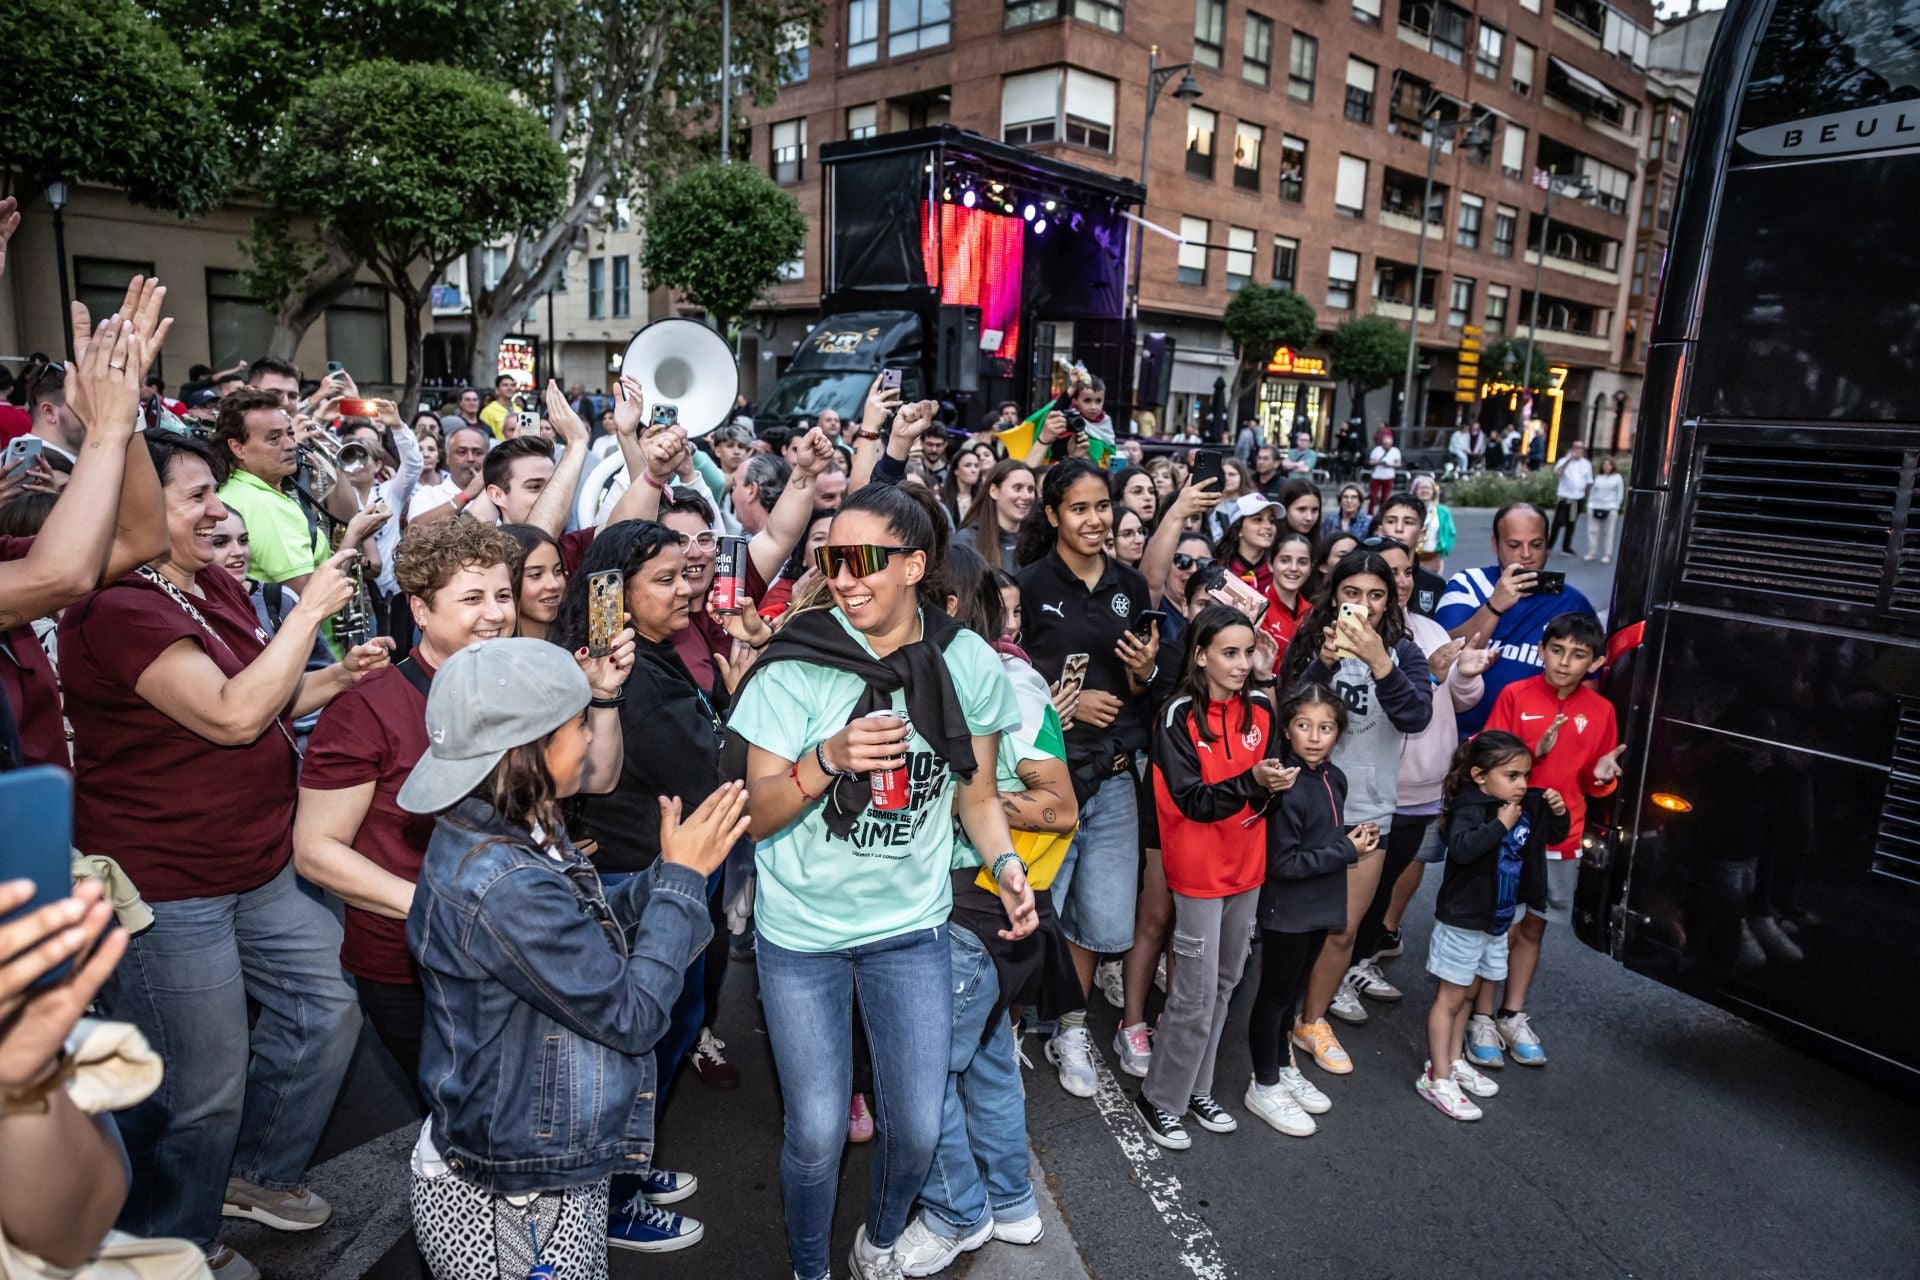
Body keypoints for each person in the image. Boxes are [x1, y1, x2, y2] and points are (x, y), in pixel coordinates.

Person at [59, 428, 390, 1276]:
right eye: (196, 496)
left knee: (327, 1005)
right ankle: (172, 1242)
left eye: (218, 490)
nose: (220, 509)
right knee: (200, 1088)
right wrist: (311, 608)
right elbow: (233, 715)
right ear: (140, 509)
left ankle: (253, 1174)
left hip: (259, 863)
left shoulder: (208, 587)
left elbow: (270, 699)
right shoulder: (118, 610)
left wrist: (336, 676)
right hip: (170, 884)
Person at [728, 482, 1033, 1280]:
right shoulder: (793, 663)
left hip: (912, 927)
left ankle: (881, 1236)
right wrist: (826, 760)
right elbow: (753, 817)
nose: (845, 578)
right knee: (818, 1132)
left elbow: (977, 795)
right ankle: (808, 1267)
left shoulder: (967, 661)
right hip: (801, 935)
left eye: (866, 561)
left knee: (919, 1131)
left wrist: (1004, 867)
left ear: (914, 566)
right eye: (831, 559)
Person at [401, 638, 748, 1275]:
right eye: (577, 724)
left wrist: (665, 870)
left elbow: (587, 931)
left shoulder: (516, 821)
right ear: (526, 752)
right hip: (512, 1193)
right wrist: (681, 882)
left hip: (545, 1157)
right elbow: (634, 1017)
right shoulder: (506, 882)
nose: (589, 738)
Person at [291, 519, 526, 1104]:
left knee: (521, 1106)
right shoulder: (367, 709)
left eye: (502, 595)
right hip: (410, 963)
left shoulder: (512, 686)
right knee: (467, 1117)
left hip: (513, 947)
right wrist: (441, 910)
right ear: (420, 610)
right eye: (471, 598)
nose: (494, 613)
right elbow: (316, 852)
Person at [892, 544, 1079, 1275]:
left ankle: (954, 1212)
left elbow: (1059, 808)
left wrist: (962, 806)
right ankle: (1012, 1205)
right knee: (990, 1065)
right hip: (982, 911)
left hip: (979, 911)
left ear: (946, 603)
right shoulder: (961, 672)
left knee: (919, 1071)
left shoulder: (1007, 684)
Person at [1014, 459, 1158, 1100]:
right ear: (1052, 516)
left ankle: (1069, 1025)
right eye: (1080, 509)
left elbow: (1143, 691)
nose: (1096, 519)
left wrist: (1142, 674)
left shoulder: (1132, 585)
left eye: (1103, 506)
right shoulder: (1029, 584)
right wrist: (1062, 709)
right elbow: (1007, 681)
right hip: (1050, 782)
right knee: (1032, 910)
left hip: (1119, 777)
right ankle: (1009, 1026)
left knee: (1097, 919)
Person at [1133, 606, 1292, 1150]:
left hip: (1247, 870)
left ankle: (1195, 1087)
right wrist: (1253, 782)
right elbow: (1192, 802)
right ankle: (1160, 1099)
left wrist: (1271, 783)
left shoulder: (1262, 713)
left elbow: (1265, 786)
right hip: (1198, 874)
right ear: (1199, 656)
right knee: (1193, 996)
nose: (1242, 663)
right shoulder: (1177, 716)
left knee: (1224, 988)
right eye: (1230, 653)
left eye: (1248, 652)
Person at [1279, 549, 1432, 1073]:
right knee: (1297, 927)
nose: (1363, 606)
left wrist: (1379, 661)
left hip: (1368, 810)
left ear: (1389, 602)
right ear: (1334, 595)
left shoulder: (1404, 653)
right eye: (1352, 593)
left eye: (1376, 596)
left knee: (1344, 928)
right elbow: (1286, 706)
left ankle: (1312, 1020)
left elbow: (1414, 715)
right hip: (1305, 805)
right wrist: (1324, 660)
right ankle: (1276, 1023)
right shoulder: (1312, 641)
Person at [1469, 612, 1621, 1070]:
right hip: (1511, 831)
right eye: (1557, 651)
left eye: (1578, 656)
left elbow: (1597, 783)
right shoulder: (1516, 695)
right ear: (1542, 650)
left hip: (1563, 837)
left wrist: (1601, 778)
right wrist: (1532, 756)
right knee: (1501, 926)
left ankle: (1512, 1015)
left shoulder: (1602, 711)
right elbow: (1490, 763)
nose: (1564, 662)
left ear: (1593, 664)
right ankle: (1480, 1016)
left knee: (1533, 927)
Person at [1346, 538, 1495, 1001]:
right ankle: (1335, 974)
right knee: (1354, 895)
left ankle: (1358, 963)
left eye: (1409, 571)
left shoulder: (1431, 629)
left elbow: (1462, 700)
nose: (1404, 580)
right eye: (1392, 573)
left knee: (1386, 887)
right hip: (1372, 791)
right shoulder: (1349, 637)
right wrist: (1428, 674)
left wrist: (1466, 673)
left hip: (1425, 790)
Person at [1421, 732, 1568, 1121]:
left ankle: (1453, 1061)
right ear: (1479, 775)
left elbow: (1551, 835)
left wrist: (1557, 810)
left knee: (1469, 993)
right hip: (1463, 918)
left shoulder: (1519, 805)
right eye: (1513, 775)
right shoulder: (1471, 807)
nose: (1522, 784)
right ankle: (1437, 1077)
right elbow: (1464, 848)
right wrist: (1500, 824)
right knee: (1450, 997)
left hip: (1496, 919)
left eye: (1525, 776)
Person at [1244, 683, 1366, 1137]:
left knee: (1292, 996)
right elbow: (1284, 862)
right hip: (1289, 910)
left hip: (1320, 906)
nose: (1315, 737)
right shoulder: (1286, 784)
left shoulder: (1335, 778)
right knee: (1274, 998)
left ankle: (1282, 1066)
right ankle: (1264, 1084)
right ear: (1288, 730)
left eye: (1326, 727)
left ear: (1339, 733)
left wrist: (1351, 836)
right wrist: (1347, 851)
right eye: (1303, 726)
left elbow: (1322, 837)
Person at [1436, 502, 1598, 736]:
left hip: (1534, 744)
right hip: (1462, 739)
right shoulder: (1469, 583)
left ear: (1548, 545)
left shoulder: (1573, 603)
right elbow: (1444, 653)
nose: (1526, 554)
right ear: (1495, 544)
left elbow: (1588, 685)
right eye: (1514, 545)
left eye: (1536, 544)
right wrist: (1495, 605)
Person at [1373, 494, 1448, 618]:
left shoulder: (1435, 584)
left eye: (1408, 522)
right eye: (1391, 521)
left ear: (1422, 534)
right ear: (1380, 532)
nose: (1398, 529)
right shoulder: (1362, 577)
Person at [954, 460, 1036, 571]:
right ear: (994, 491)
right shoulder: (966, 540)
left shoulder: (1036, 539)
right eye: (1017, 488)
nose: (1026, 496)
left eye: (1031, 489)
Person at [503, 523, 566, 640]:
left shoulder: (577, 641)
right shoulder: (490, 652)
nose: (554, 584)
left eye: (558, 571)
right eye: (536, 575)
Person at [1549, 439, 1593, 554]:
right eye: (1576, 448)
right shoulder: (1564, 461)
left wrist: (1586, 496)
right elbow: (1558, 472)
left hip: (1578, 498)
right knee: (1558, 522)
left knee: (1571, 523)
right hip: (1565, 498)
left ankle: (1566, 546)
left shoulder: (1586, 464)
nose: (1579, 450)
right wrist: (1569, 460)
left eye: (1581, 448)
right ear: (1573, 449)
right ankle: (1549, 546)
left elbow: (1589, 481)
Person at [1409, 474, 1455, 576]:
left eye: (1428, 488)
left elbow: (1451, 533)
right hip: (1412, 557)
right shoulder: (1408, 510)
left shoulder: (1443, 512)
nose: (1424, 490)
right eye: (1421, 488)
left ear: (1433, 491)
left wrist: (1444, 548)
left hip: (1433, 557)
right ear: (1415, 490)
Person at [1585, 455, 1624, 562]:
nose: (1606, 467)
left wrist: (1615, 507)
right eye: (1605, 465)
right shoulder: (1599, 477)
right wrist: (1590, 505)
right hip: (1595, 507)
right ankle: (1592, 552)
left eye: (1609, 465)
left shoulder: (1617, 477)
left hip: (1610, 508)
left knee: (1609, 532)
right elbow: (1593, 492)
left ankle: (1607, 554)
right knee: (1592, 531)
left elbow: (1619, 494)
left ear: (1612, 466)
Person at [940, 446, 985, 527]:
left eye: (976, 466)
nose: (974, 470)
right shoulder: (942, 497)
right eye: (968, 465)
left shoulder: (983, 498)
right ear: (956, 470)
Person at [1366, 427, 1401, 517]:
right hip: (1377, 476)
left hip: (1388, 477)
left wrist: (1390, 465)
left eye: (1388, 444)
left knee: (1385, 498)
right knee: (1373, 497)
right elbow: (1370, 462)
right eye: (1385, 443)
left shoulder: (1395, 451)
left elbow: (1399, 464)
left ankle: (1381, 515)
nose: (1386, 445)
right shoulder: (1377, 450)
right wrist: (1379, 462)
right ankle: (1369, 514)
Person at [480, 373, 518, 438]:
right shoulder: (488, 411)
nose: (509, 388)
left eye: (512, 385)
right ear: (497, 390)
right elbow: (484, 437)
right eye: (505, 385)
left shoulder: (519, 409)